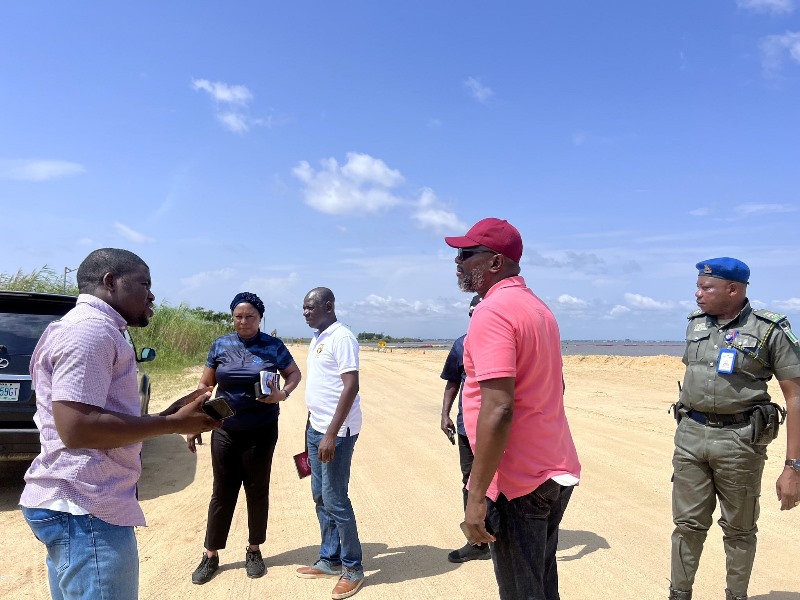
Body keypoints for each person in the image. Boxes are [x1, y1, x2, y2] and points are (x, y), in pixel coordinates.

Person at [20, 248, 221, 600]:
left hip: (80, 507)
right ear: (110, 282)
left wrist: (167, 415)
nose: (152, 294)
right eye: (144, 283)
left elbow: (92, 414)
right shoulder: (91, 332)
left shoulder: (92, 330)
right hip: (87, 509)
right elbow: (77, 428)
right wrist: (171, 425)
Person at [444, 218, 581, 600]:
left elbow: (499, 408)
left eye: (467, 254)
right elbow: (556, 386)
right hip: (552, 468)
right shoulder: (537, 308)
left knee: (522, 592)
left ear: (495, 262)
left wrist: (477, 494)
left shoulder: (493, 312)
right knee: (539, 581)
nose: (458, 261)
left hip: (518, 481)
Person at [668, 258, 800, 600]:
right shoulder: (695, 325)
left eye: (706, 287)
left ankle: (735, 596)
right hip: (690, 436)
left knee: (740, 530)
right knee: (686, 526)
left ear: (733, 289)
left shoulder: (769, 330)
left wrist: (793, 467)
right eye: (698, 286)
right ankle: (678, 594)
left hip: (740, 442)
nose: (698, 294)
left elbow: (796, 398)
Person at [189, 291, 302, 584]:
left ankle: (254, 550)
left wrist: (283, 394)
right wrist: (195, 419)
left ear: (260, 318)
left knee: (256, 489)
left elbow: (294, 374)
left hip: (262, 430)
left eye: (249, 316)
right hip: (225, 430)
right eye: (238, 316)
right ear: (232, 318)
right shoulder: (221, 345)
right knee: (222, 492)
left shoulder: (273, 346)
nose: (243, 321)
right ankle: (210, 554)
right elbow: (205, 384)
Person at [296, 287, 365, 600]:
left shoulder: (342, 337)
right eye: (304, 308)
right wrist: (311, 427)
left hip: (337, 432)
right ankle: (330, 559)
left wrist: (330, 434)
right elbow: (323, 386)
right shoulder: (319, 336)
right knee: (319, 495)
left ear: (328, 305)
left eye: (311, 307)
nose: (306, 312)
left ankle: (353, 568)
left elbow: (351, 386)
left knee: (336, 498)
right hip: (317, 428)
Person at [440, 294, 491, 563]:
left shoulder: (502, 341)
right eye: (473, 313)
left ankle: (503, 538)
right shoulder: (461, 345)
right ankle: (477, 541)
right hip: (466, 427)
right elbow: (452, 382)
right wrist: (445, 414)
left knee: (503, 483)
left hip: (498, 428)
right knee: (470, 481)